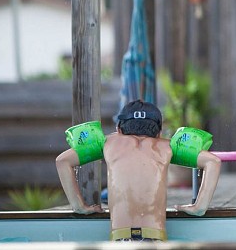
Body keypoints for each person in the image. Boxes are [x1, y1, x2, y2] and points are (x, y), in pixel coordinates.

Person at [56, 100, 221, 242]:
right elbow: (213, 161)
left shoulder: (108, 143)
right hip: (155, 238)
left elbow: (62, 161)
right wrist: (199, 207)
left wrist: (79, 206)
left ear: (119, 129)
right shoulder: (166, 146)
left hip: (120, 239)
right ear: (159, 131)